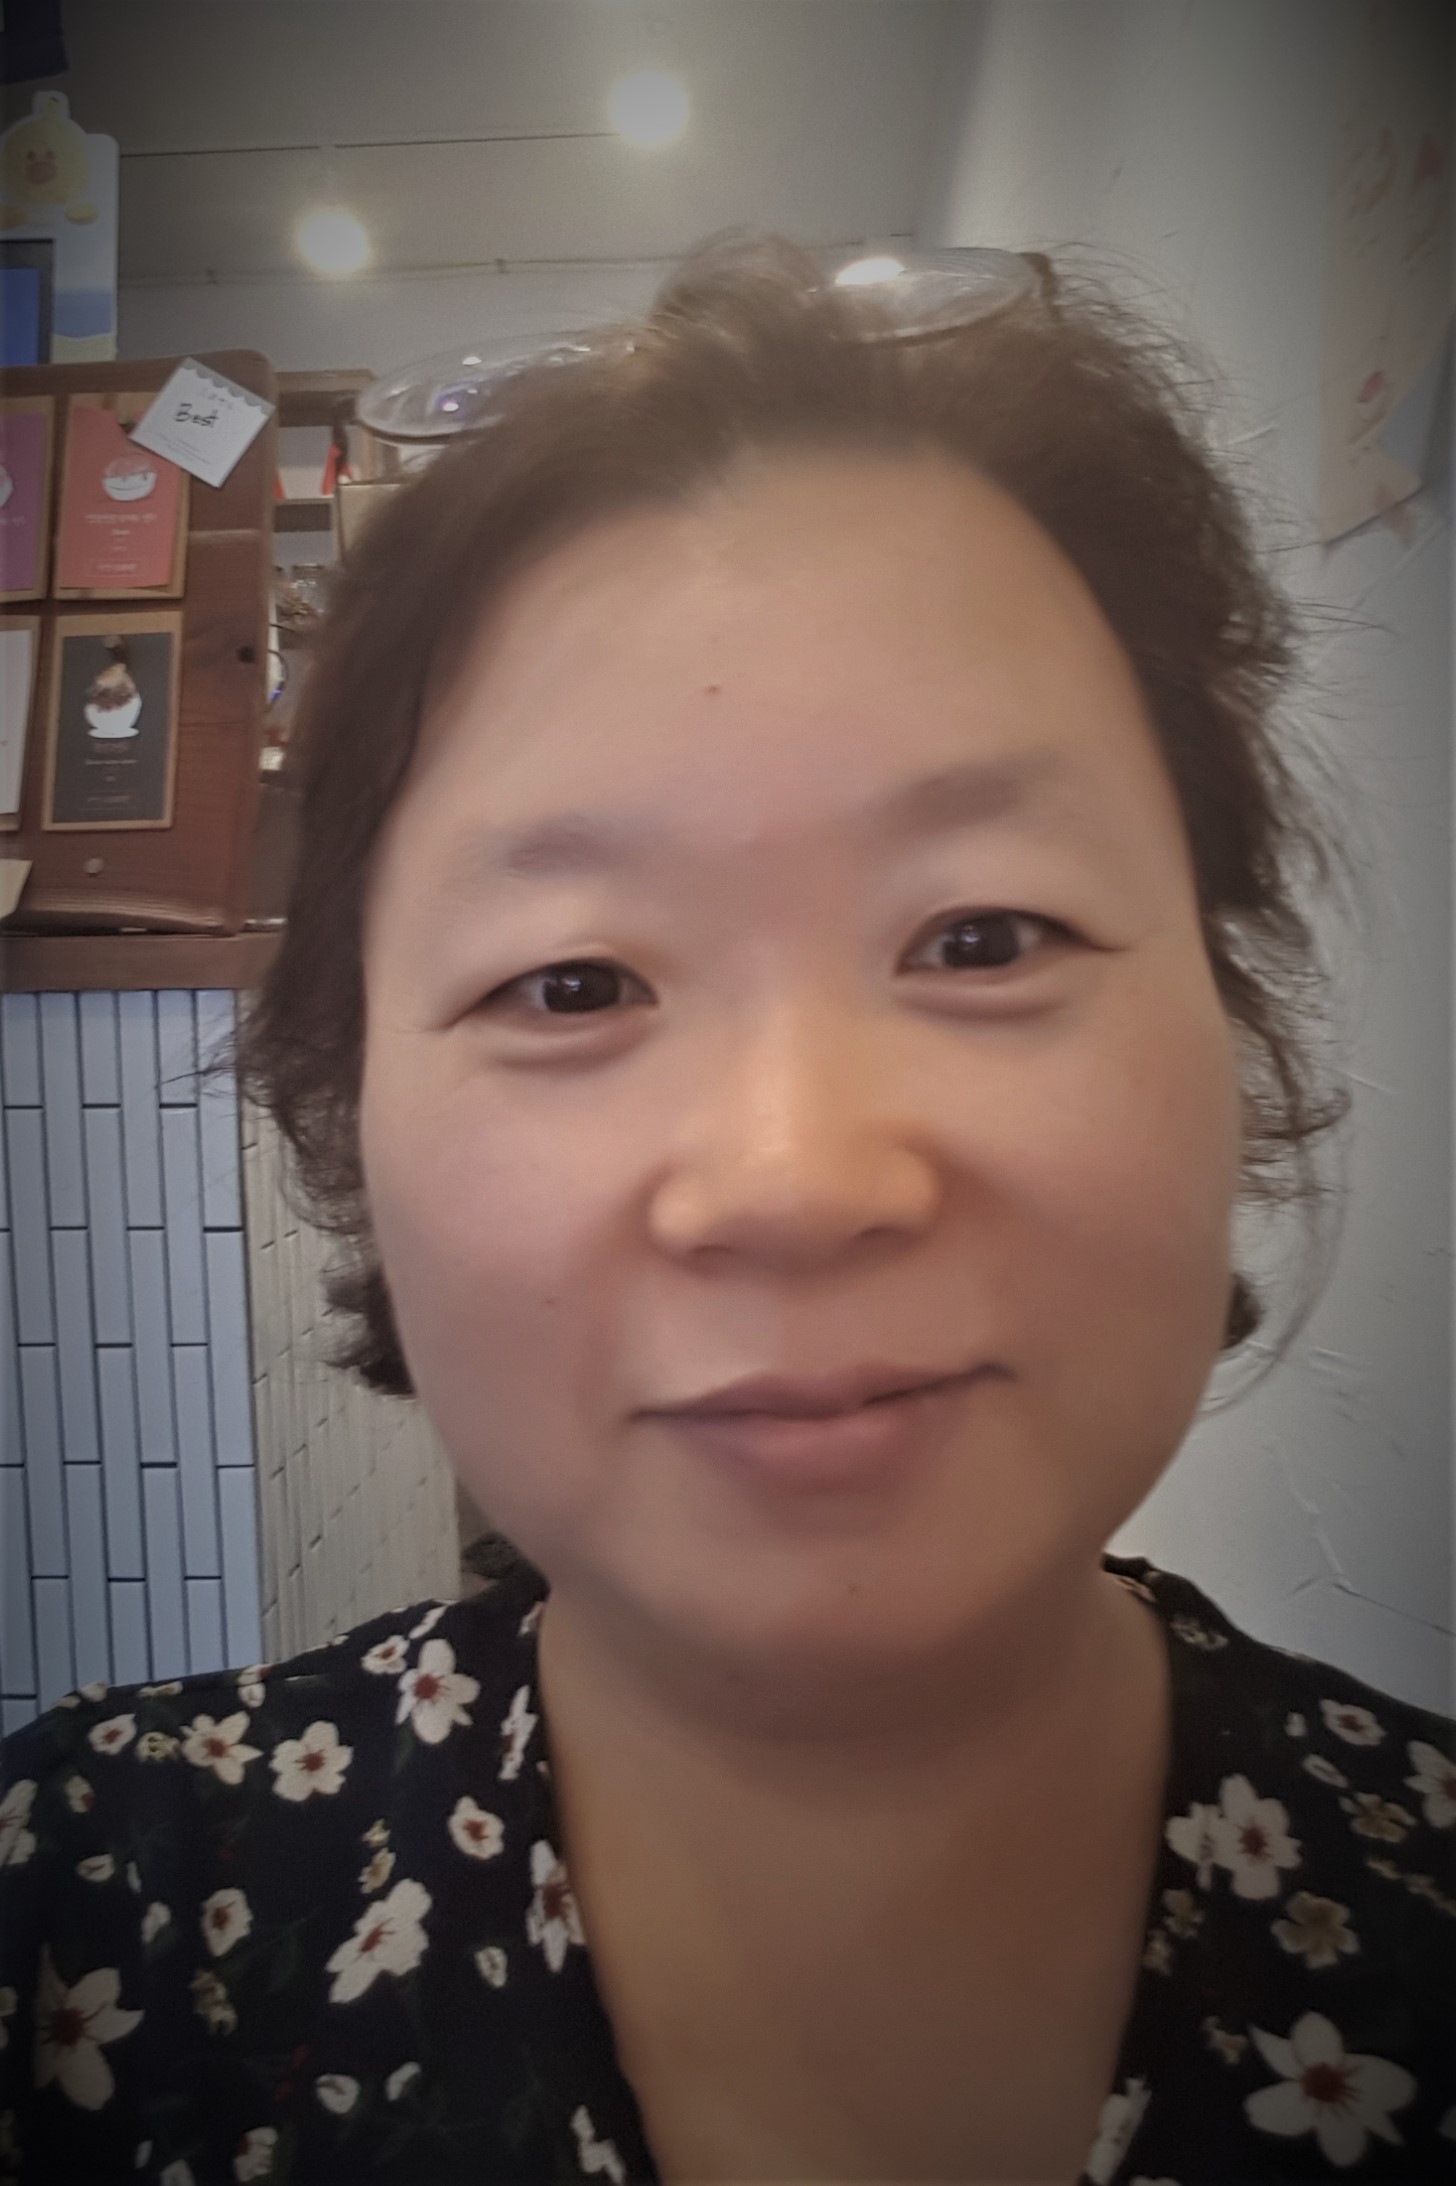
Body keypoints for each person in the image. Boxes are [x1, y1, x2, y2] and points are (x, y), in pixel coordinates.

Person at [2, 236, 1453, 2186]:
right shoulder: (83, 1938)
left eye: (982, 936)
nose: (796, 1179)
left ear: (1232, 1017)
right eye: (573, 982)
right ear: (349, 1118)